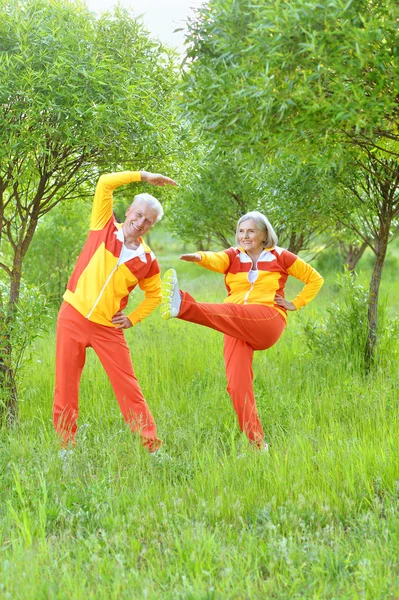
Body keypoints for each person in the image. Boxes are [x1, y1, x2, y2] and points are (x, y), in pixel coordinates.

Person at [160, 211, 323, 451]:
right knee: (237, 385)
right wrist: (200, 257)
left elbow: (315, 279)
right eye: (241, 231)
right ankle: (257, 444)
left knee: (230, 311)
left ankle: (182, 305)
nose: (244, 236)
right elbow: (217, 259)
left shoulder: (281, 256)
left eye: (250, 231)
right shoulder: (234, 256)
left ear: (264, 234)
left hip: (267, 318)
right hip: (234, 323)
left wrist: (295, 303)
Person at [53, 169, 177, 453]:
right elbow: (104, 182)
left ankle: (152, 448)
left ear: (152, 225)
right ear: (129, 210)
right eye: (139, 214)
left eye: (148, 220)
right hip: (72, 315)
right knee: (66, 385)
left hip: (108, 328)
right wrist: (145, 177)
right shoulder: (103, 227)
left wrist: (132, 318)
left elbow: (154, 295)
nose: (141, 221)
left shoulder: (147, 259)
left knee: (129, 389)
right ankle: (66, 449)